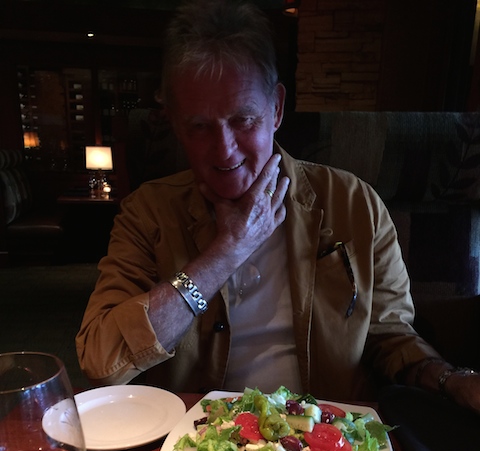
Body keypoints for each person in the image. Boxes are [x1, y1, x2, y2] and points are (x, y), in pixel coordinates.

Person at [76, 0, 480, 412]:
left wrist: (454, 381)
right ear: (176, 125)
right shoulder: (147, 212)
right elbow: (102, 361)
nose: (224, 150)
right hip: (196, 446)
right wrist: (227, 250)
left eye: (243, 120)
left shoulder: (357, 204)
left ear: (277, 109)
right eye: (200, 126)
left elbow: (390, 337)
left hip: (323, 445)